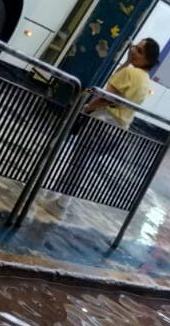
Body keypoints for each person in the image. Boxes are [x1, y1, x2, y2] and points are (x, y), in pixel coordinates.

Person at [54, 37, 160, 202]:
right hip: (118, 130)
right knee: (83, 163)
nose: (133, 50)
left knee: (78, 162)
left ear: (148, 60)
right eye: (134, 46)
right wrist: (127, 62)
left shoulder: (130, 73)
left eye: (139, 51)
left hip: (101, 123)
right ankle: (58, 197)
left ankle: (61, 202)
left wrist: (87, 107)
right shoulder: (145, 80)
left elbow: (107, 98)